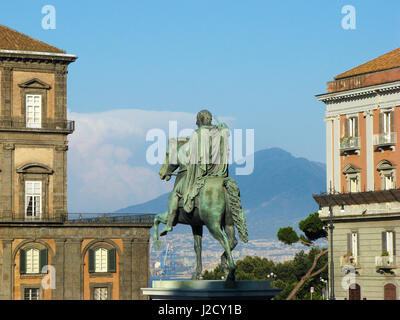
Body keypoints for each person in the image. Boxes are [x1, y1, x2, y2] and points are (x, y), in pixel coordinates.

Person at [160, 109, 230, 236]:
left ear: (200, 120)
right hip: (216, 171)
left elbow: (192, 157)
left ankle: (169, 224)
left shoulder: (197, 134)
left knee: (176, 192)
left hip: (197, 171)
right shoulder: (219, 132)